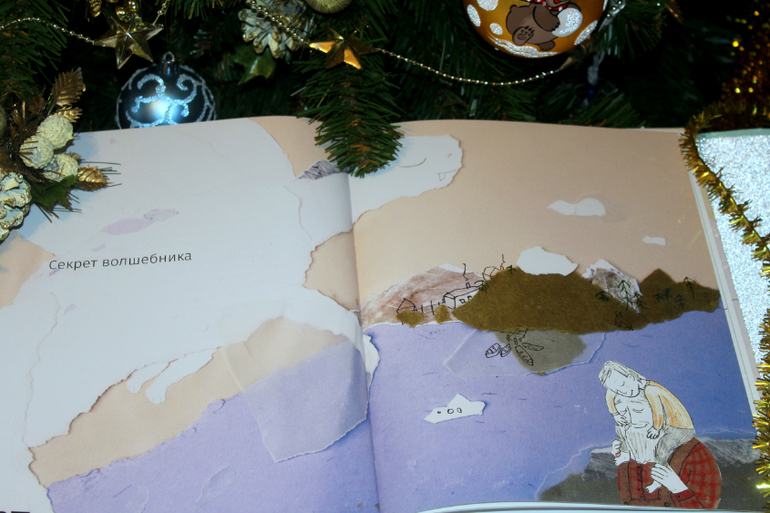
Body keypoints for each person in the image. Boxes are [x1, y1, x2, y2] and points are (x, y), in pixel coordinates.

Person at [598, 361, 721, 508]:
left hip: (678, 431)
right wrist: (622, 457)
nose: (632, 421)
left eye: (638, 411)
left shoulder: (693, 454)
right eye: (623, 412)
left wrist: (678, 488)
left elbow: (709, 506)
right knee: (621, 429)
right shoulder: (630, 460)